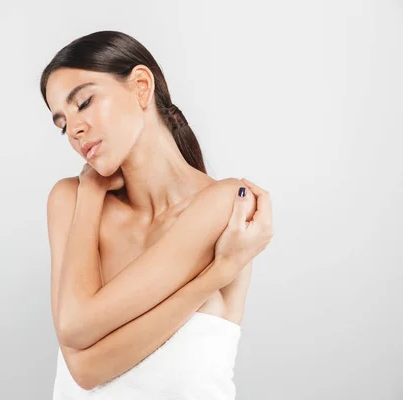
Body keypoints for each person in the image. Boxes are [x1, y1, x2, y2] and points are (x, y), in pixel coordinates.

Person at [40, 30, 274, 399]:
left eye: (83, 102)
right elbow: (80, 357)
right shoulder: (69, 199)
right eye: (63, 124)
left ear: (141, 86)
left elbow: (80, 334)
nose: (75, 130)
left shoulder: (224, 203)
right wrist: (216, 275)